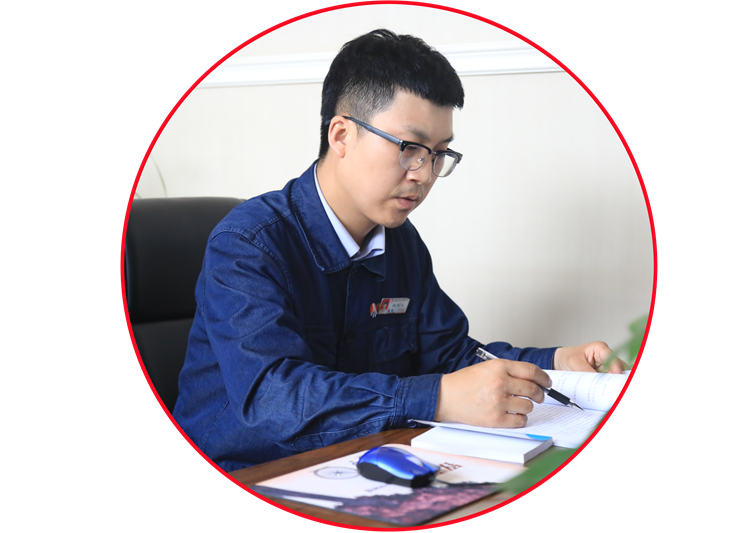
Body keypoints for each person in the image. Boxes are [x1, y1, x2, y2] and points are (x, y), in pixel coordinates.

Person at [172, 29, 625, 472]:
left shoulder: (400, 242)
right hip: (245, 473)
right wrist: (438, 398)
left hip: (356, 461)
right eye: (409, 148)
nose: (424, 174)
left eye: (438, 153)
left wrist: (554, 363)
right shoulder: (249, 244)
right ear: (341, 135)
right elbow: (271, 397)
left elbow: (449, 354)